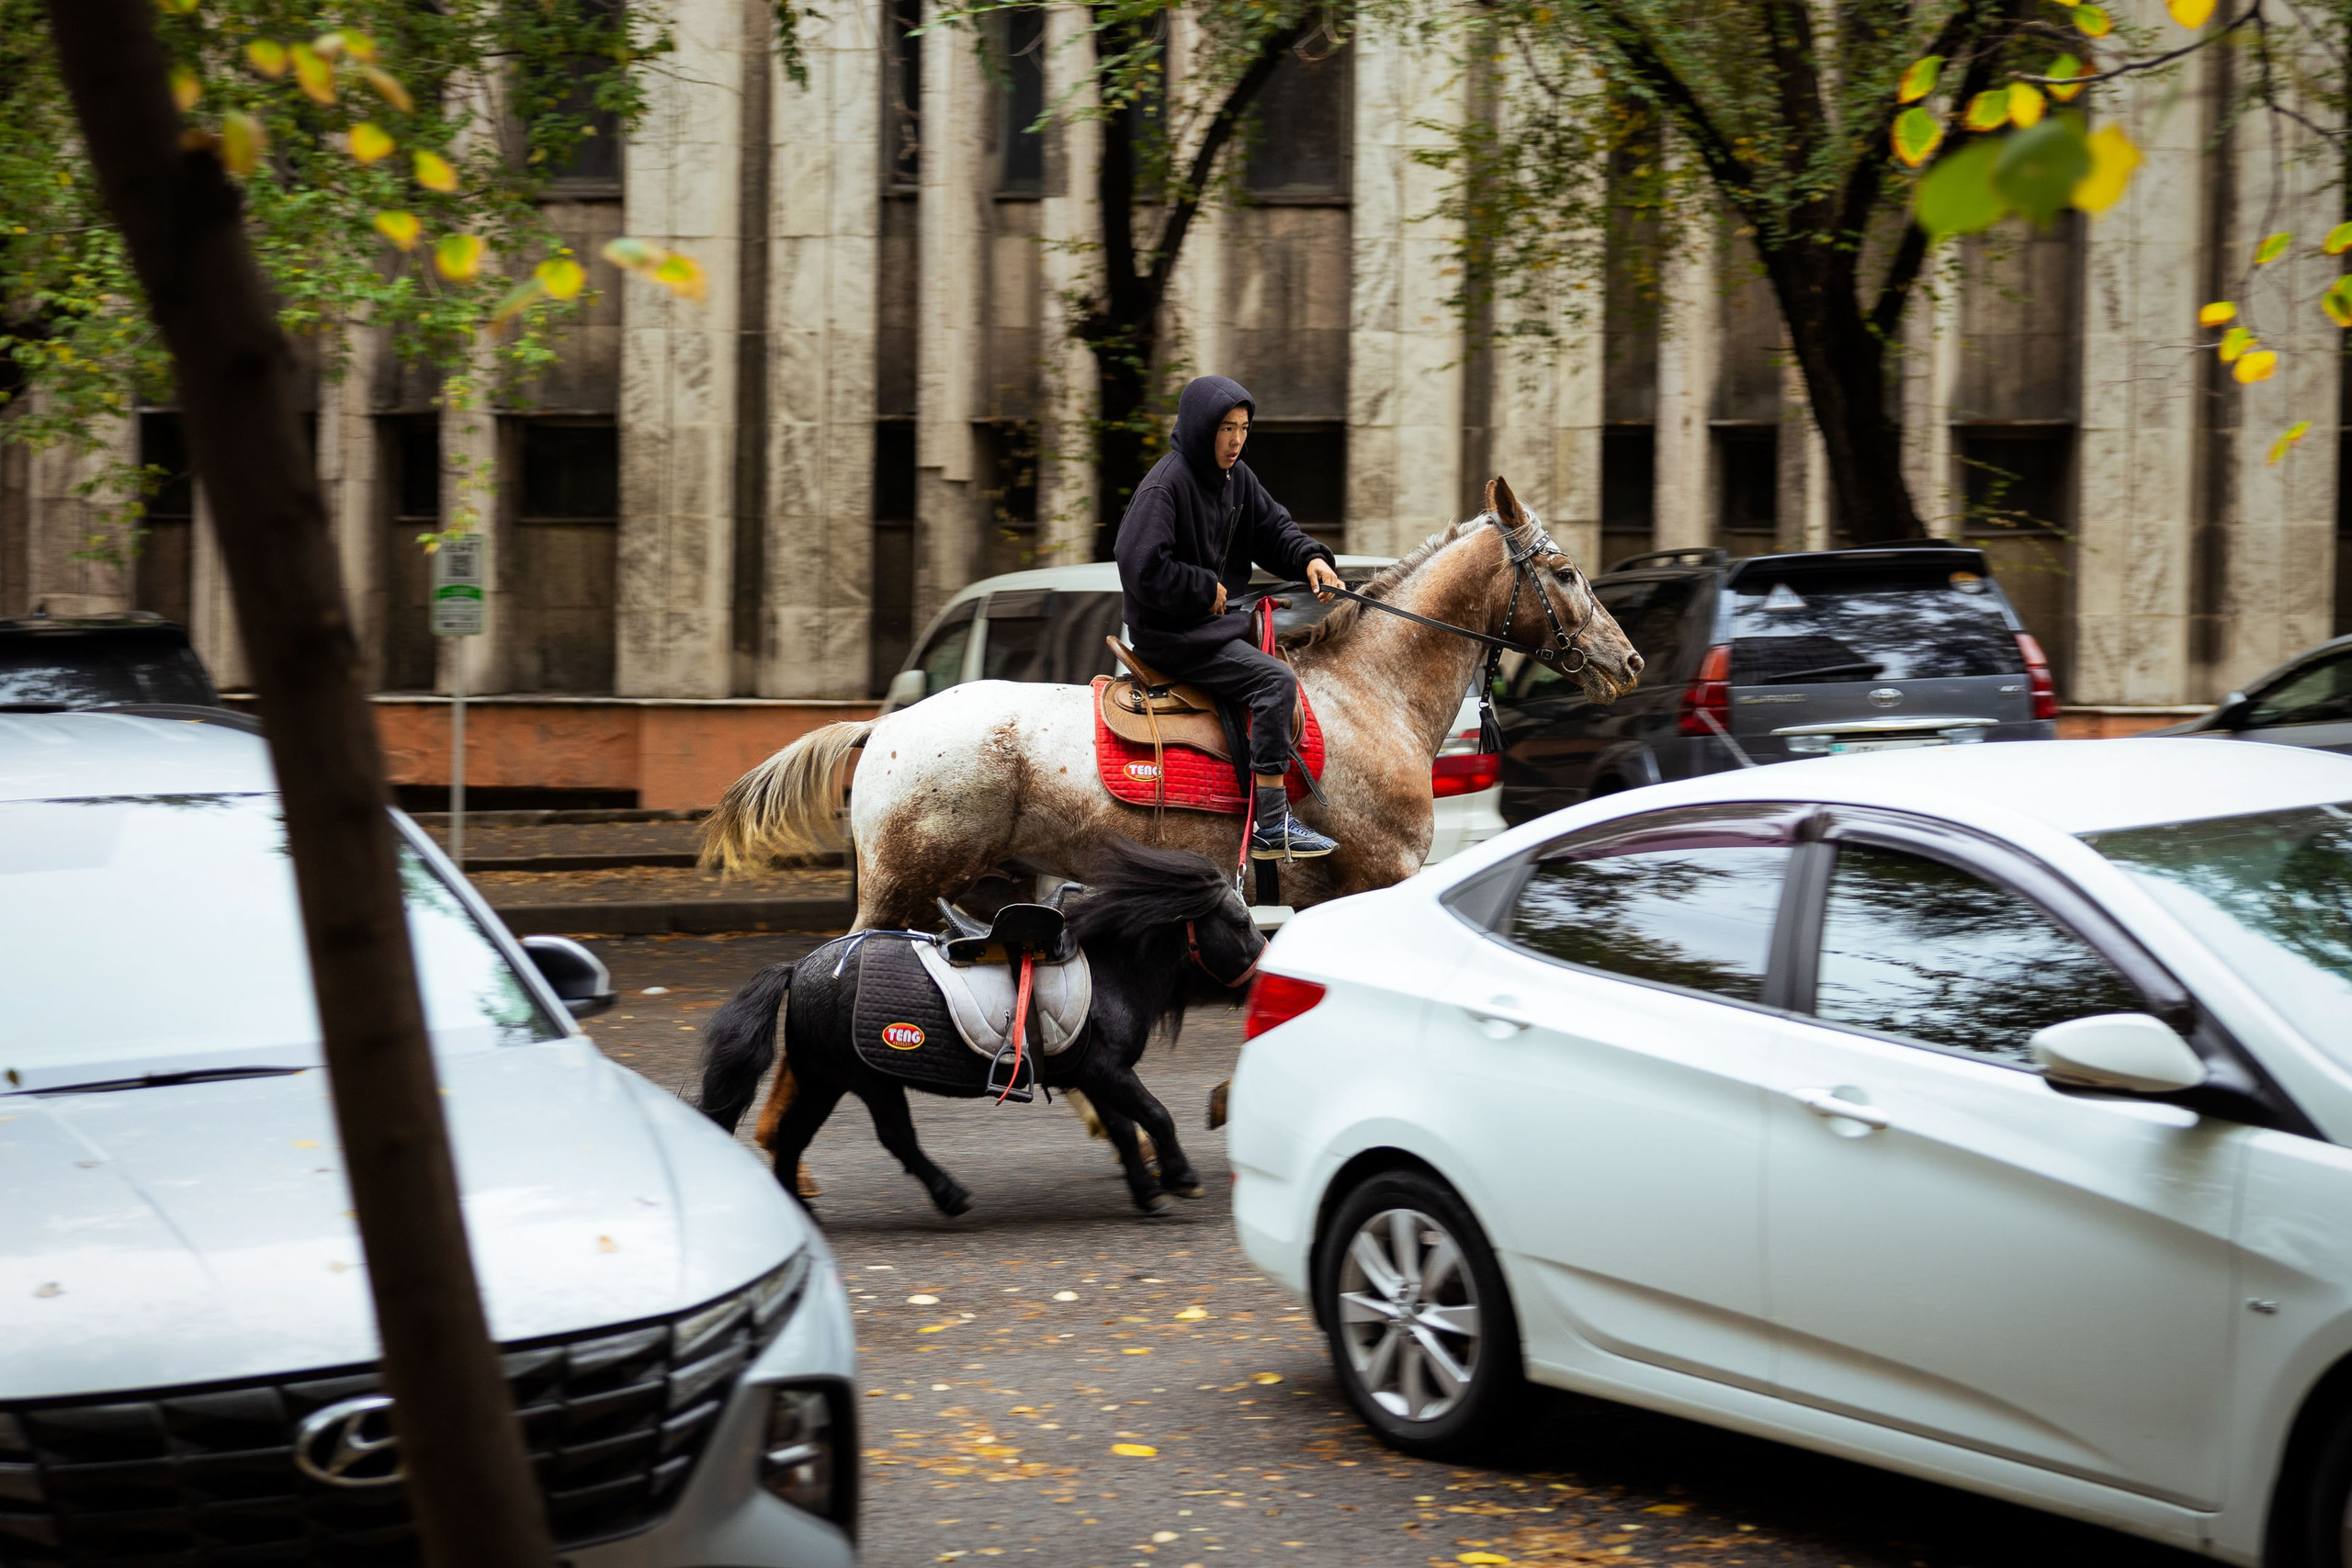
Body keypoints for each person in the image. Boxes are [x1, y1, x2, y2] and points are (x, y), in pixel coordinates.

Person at [1114, 374, 1345, 858]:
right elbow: (1139, 563)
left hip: (1210, 628)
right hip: (1173, 634)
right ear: (1202, 428)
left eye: (1243, 427)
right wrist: (1201, 589)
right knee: (1275, 683)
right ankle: (1271, 823)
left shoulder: (1237, 477)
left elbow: (1274, 530)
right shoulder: (1165, 484)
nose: (1236, 439)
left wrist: (1310, 559)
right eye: (1225, 428)